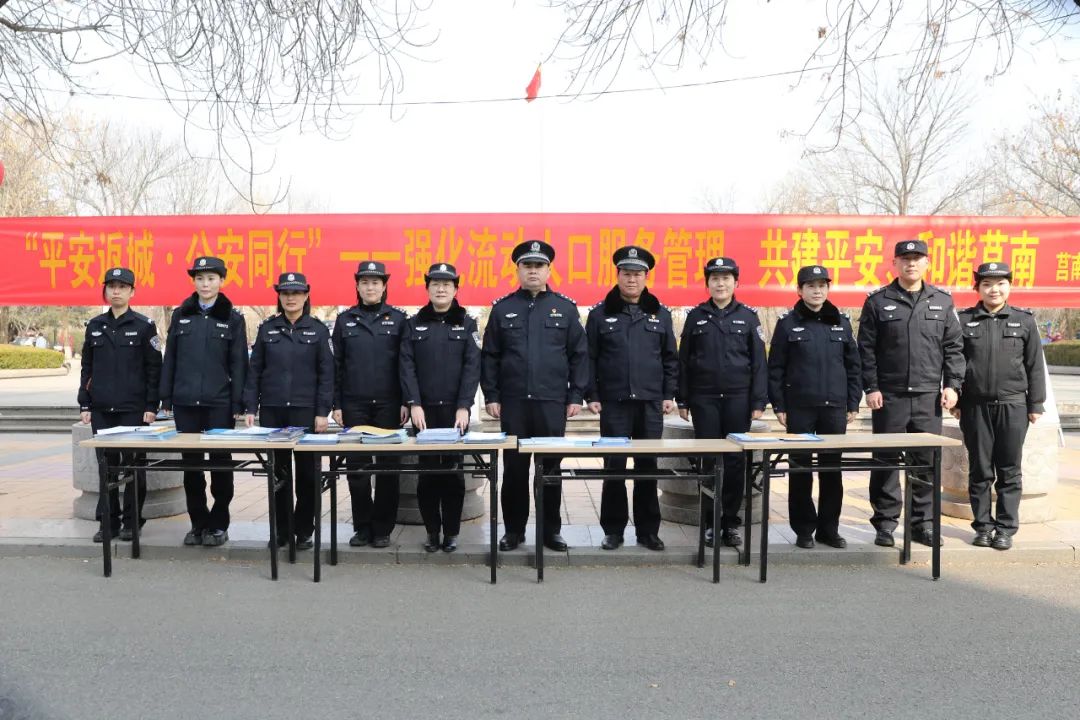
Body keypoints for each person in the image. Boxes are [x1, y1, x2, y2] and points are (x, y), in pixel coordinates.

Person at [481, 240, 589, 552]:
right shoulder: (503, 309)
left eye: (538, 266)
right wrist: (492, 395)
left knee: (550, 469)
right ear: (517, 270)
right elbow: (490, 356)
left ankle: (550, 531)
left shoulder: (565, 309)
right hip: (513, 403)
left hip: (551, 402)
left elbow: (579, 355)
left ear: (548, 270)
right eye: (527, 265)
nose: (533, 271)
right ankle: (513, 531)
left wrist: (576, 395)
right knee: (514, 470)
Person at [857, 240, 964, 548]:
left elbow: (953, 348)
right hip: (889, 398)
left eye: (917, 258)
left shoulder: (942, 301)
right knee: (886, 462)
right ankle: (885, 524)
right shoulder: (878, 301)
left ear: (927, 262)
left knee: (925, 462)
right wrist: (871, 387)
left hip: (928, 397)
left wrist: (952, 385)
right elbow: (866, 349)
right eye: (905, 258)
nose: (911, 263)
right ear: (895, 263)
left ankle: (922, 524)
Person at [584, 246, 678, 552]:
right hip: (614, 404)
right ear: (618, 275)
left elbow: (670, 358)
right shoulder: (600, 314)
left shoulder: (661, 314)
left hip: (650, 404)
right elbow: (589, 358)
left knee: (647, 468)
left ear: (646, 277)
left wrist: (668, 394)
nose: (632, 279)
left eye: (637, 274)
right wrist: (592, 394)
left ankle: (648, 531)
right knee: (614, 468)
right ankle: (613, 530)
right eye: (626, 273)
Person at [952, 262, 1046, 550]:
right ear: (978, 288)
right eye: (987, 284)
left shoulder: (1024, 320)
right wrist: (957, 398)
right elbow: (955, 362)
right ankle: (982, 527)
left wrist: (1036, 403)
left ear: (1009, 286)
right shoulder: (964, 320)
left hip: (1013, 405)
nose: (994, 289)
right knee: (980, 470)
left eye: (1000, 283)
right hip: (975, 406)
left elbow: (1034, 365)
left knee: (1009, 470)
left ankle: (1005, 529)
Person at [767, 265, 862, 549]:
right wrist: (779, 406)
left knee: (832, 471)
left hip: (834, 409)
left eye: (822, 285)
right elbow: (776, 368)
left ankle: (829, 530)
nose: (817, 290)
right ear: (799, 290)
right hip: (800, 409)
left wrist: (853, 402)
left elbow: (853, 366)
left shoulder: (842, 322)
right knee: (800, 471)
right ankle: (804, 530)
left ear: (828, 289)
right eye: (810, 285)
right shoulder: (787, 323)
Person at [676, 256, 767, 549]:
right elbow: (684, 361)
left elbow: (759, 363)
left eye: (726, 278)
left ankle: (730, 523)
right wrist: (683, 399)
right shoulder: (696, 316)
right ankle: (709, 523)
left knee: (735, 462)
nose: (720, 283)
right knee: (708, 460)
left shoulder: (748, 317)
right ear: (708, 284)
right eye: (715, 278)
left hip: (738, 399)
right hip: (704, 400)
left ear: (735, 283)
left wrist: (758, 401)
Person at [159, 256, 248, 548]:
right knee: (191, 467)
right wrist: (166, 397)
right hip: (185, 403)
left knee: (221, 466)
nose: (205, 284)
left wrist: (239, 403)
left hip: (220, 404)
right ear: (194, 282)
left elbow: (238, 364)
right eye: (200, 279)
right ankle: (198, 523)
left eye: (211, 278)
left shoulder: (233, 318)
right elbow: (170, 358)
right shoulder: (181, 315)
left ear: (221, 281)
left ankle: (219, 524)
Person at [243, 272, 334, 551]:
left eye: (296, 293)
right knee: (279, 476)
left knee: (308, 476)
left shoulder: (318, 331)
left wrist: (323, 412)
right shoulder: (267, 329)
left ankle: (304, 530)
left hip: (306, 413)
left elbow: (327, 375)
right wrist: (250, 406)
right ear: (279, 297)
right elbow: (255, 371)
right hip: (273, 412)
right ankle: (282, 531)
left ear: (306, 296)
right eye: (285, 293)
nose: (291, 298)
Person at [399, 263, 481, 553]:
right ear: (428, 288)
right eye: (435, 284)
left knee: (454, 476)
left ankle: (452, 533)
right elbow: (406, 365)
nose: (441, 289)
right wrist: (414, 403)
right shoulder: (414, 324)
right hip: (424, 413)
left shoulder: (467, 324)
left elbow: (472, 367)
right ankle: (432, 532)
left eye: (447, 284)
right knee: (427, 476)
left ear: (455, 289)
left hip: (455, 414)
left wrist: (464, 406)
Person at [78, 267, 162, 543]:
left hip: (133, 410)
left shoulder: (144, 326)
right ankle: (108, 521)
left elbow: (154, 369)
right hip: (102, 409)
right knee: (106, 467)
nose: (116, 291)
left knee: (134, 467)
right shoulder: (95, 326)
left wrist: (152, 405)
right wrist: (85, 404)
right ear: (105, 290)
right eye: (111, 286)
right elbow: (87, 367)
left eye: (122, 287)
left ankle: (132, 521)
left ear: (132, 292)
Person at [331, 261, 408, 549]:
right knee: (357, 470)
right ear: (358, 286)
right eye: (365, 282)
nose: (370, 287)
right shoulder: (345, 320)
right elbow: (336, 366)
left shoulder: (399, 320)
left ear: (384, 286)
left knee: (388, 470)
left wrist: (406, 401)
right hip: (355, 405)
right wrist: (336, 404)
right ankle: (362, 527)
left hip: (389, 404)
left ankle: (383, 528)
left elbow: (405, 364)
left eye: (376, 282)